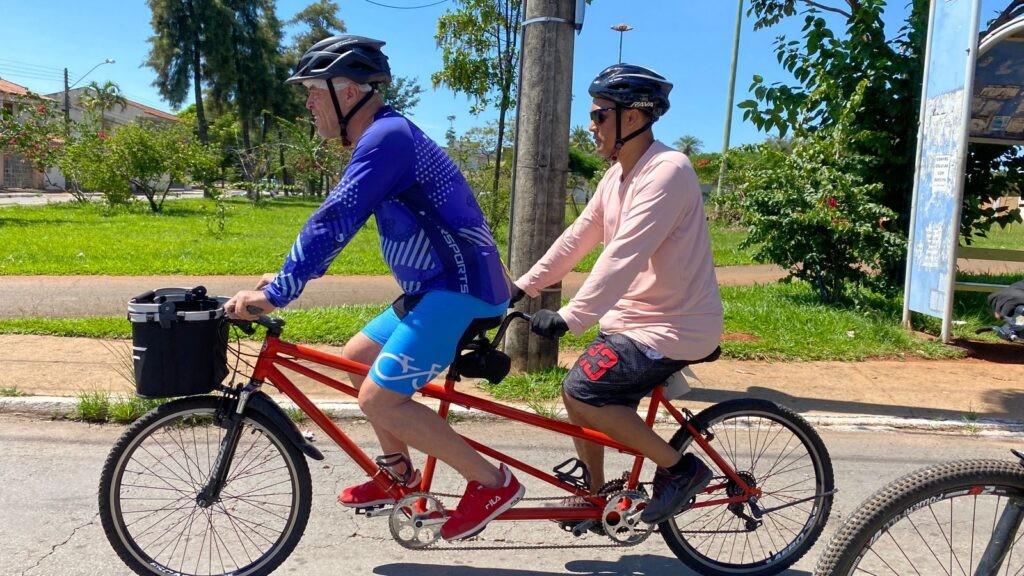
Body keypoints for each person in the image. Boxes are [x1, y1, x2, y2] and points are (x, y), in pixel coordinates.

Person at [224, 35, 523, 541]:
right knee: (358, 356)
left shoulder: (388, 138)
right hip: (435, 287)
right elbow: (339, 218)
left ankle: (492, 482)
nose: (307, 104)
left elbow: (336, 216)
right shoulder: (383, 136)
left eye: (312, 92)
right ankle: (398, 476)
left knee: (380, 400)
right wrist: (284, 277)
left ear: (347, 92)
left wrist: (280, 292)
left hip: (459, 288)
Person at [514, 64, 723, 525]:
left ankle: (682, 469)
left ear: (633, 118)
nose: (591, 125)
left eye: (600, 114)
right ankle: (596, 496)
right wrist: (521, 287)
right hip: (633, 322)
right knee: (579, 395)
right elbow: (577, 238)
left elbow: (623, 255)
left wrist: (570, 316)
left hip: (674, 325)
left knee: (583, 390)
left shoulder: (668, 170)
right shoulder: (615, 178)